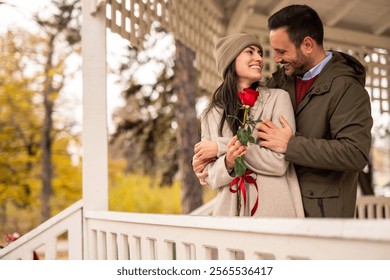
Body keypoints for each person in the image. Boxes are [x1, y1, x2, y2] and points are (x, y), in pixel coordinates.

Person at [256, 5, 373, 218]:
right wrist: (217, 156)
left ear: (307, 45)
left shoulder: (347, 88)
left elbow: (355, 154)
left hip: (323, 218)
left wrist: (290, 144)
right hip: (280, 209)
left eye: (282, 51)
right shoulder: (278, 82)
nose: (276, 59)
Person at [193, 33, 304, 217]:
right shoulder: (210, 115)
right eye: (250, 52)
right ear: (230, 60)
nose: (259, 58)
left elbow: (279, 163)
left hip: (273, 213)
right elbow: (210, 178)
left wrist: (219, 147)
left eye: (260, 53)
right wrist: (228, 161)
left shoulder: (277, 99)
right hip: (230, 217)